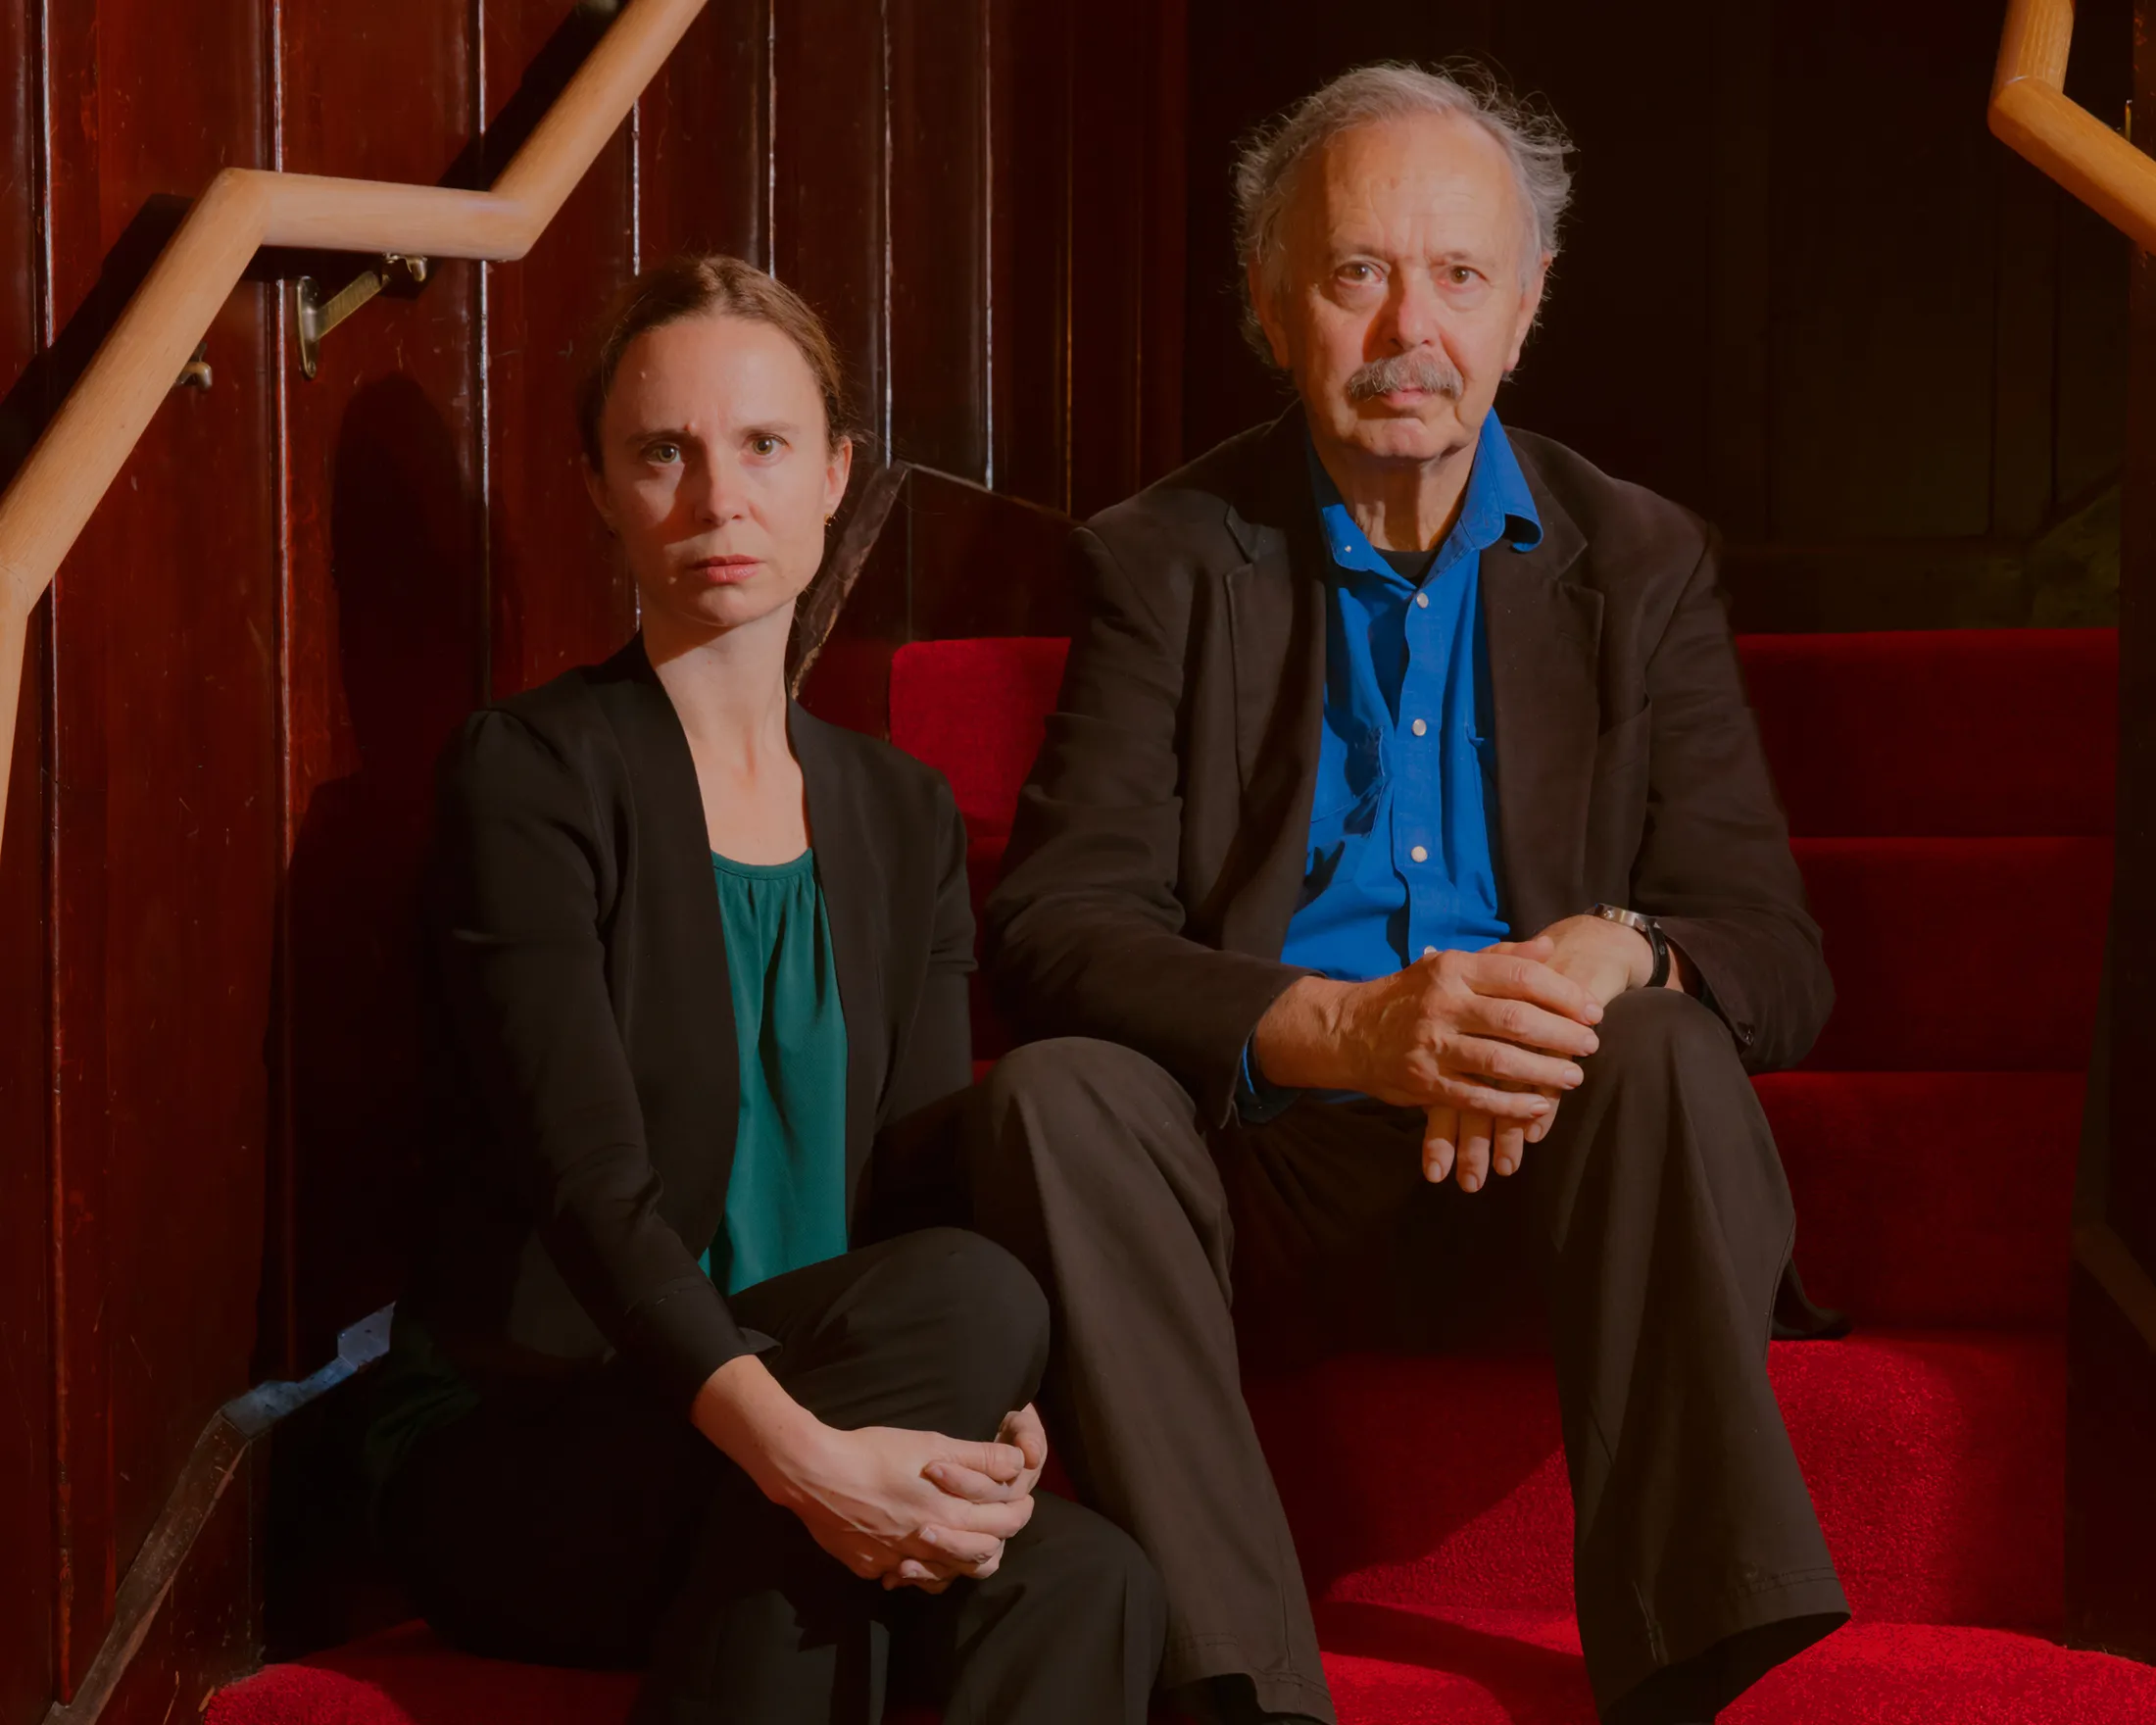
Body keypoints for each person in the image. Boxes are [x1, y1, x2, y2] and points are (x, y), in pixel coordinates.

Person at [973, 64, 1848, 1725]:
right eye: (1355, 271)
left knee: (1665, 1040)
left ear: (1526, 309)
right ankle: (1248, 1691)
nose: (1408, 331)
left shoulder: (1643, 558)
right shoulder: (1163, 557)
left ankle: (1693, 1668)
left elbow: (1777, 960)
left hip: (1549, 1170)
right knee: (1053, 1102)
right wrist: (1345, 1029)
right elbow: (1055, 929)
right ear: (1267, 300)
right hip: (1263, 1175)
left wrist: (1617, 951)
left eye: (1458, 275)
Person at [365, 253, 1164, 1725]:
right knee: (949, 1323)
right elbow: (592, 1195)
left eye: (763, 446)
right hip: (542, 1434)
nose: (718, 498)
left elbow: (920, 1195)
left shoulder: (903, 813)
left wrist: (982, 1422)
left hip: (832, 1380)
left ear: (836, 473)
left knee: (1089, 1576)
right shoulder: (530, 775)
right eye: (661, 452)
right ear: (600, 489)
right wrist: (809, 1460)